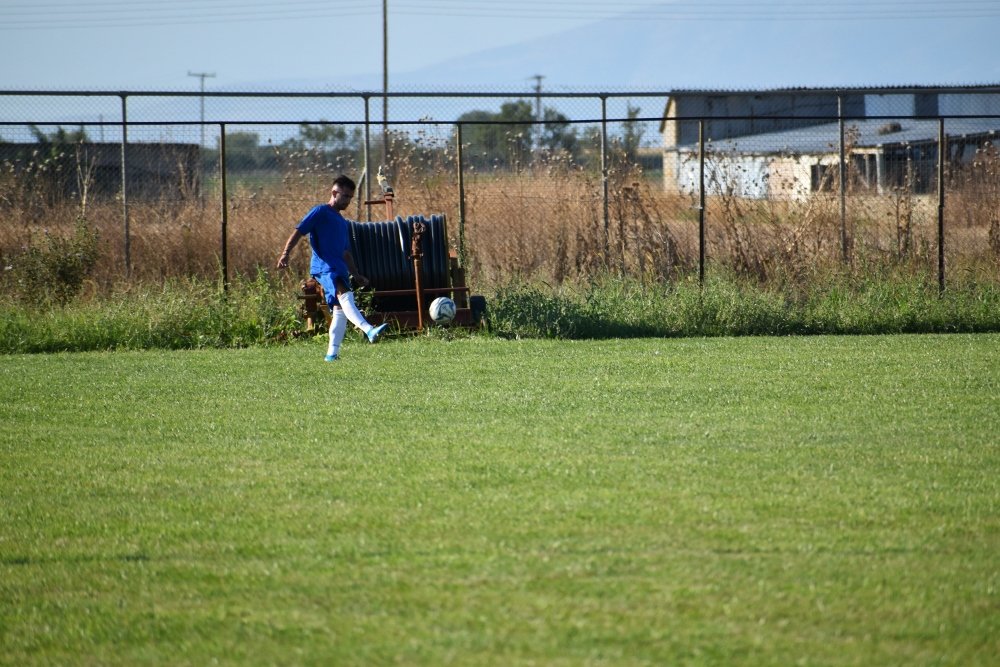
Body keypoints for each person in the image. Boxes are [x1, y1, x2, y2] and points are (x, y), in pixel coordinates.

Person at [276, 174, 388, 361]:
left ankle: (332, 354)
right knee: (344, 295)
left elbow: (345, 253)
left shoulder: (342, 222)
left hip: (339, 267)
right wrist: (285, 253)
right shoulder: (320, 212)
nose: (348, 201)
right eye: (345, 196)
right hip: (325, 267)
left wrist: (356, 274)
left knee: (340, 310)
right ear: (334, 192)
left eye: (350, 198)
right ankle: (368, 330)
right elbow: (299, 231)